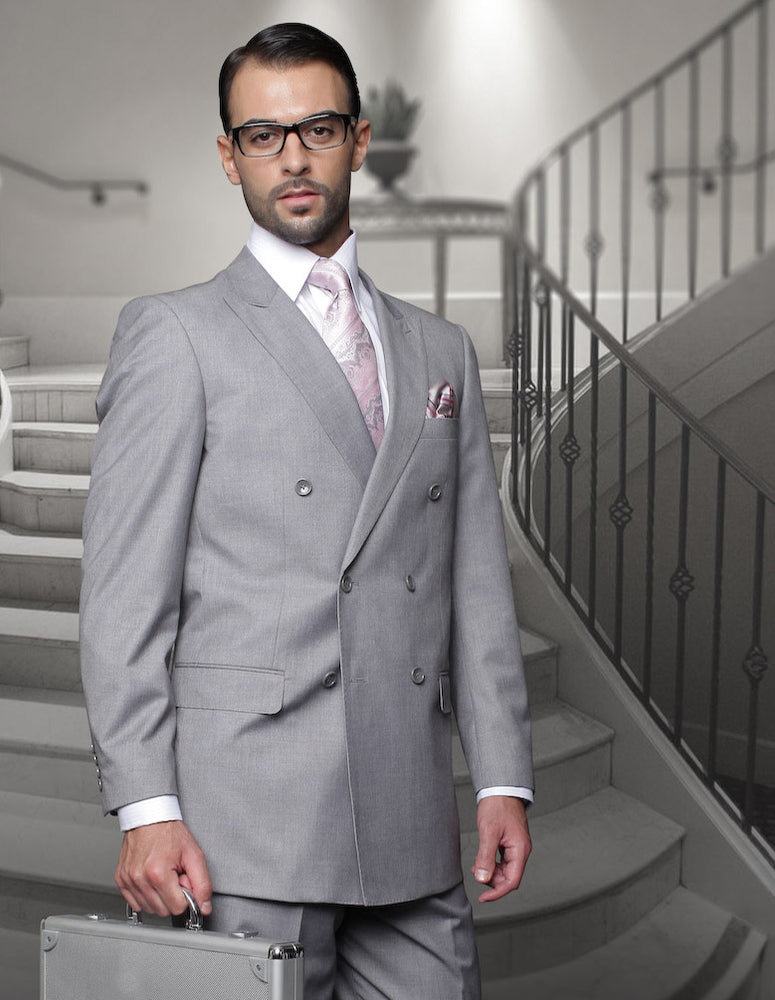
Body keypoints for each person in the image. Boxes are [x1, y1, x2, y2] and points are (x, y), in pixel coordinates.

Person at [79, 22, 533, 1000]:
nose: (291, 157)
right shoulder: (174, 334)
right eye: (261, 135)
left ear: (359, 140)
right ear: (228, 155)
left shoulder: (438, 349)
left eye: (317, 128)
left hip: (410, 813)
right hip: (241, 819)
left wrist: (501, 776)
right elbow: (124, 600)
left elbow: (475, 580)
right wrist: (144, 804)